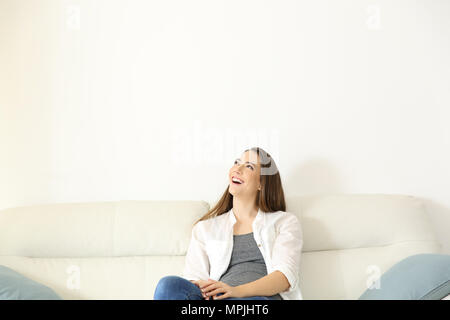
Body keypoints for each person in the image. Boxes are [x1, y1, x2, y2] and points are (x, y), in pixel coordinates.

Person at [153, 147, 303, 300]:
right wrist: (204, 288)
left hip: (259, 301)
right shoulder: (205, 229)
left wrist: (236, 291)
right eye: (237, 162)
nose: (238, 168)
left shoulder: (284, 222)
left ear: (261, 184)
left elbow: (284, 277)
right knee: (168, 286)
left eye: (249, 166)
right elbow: (194, 278)